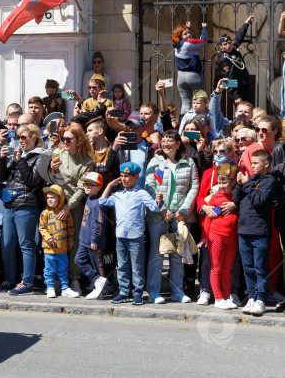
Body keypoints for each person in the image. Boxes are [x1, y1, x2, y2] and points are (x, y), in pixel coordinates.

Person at [145, 131, 200, 304]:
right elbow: (149, 185)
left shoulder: (189, 162)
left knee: (178, 255)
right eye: (163, 141)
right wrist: (162, 208)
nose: (166, 144)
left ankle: (177, 291)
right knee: (156, 254)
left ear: (178, 143)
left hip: (181, 216)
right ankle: (154, 291)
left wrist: (184, 210)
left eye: (170, 141)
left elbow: (194, 187)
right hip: (158, 216)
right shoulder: (155, 162)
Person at [0, 123, 50, 295]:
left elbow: (33, 181)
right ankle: (10, 279)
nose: (20, 141)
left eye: (23, 137)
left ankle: (27, 282)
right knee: (6, 245)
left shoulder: (42, 156)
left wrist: (20, 160)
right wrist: (1, 158)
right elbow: (3, 176)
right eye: (18, 137)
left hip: (27, 203)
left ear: (34, 137)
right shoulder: (17, 153)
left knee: (26, 245)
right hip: (9, 203)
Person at [99, 161, 161, 305]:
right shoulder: (118, 194)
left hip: (136, 236)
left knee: (137, 266)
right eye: (122, 176)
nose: (124, 179)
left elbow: (154, 208)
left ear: (136, 176)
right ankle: (123, 291)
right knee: (122, 265)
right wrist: (109, 185)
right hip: (120, 236)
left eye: (127, 176)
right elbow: (102, 202)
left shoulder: (141, 193)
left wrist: (158, 201)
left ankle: (138, 293)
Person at [46, 122, 93, 294]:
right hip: (56, 204)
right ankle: (56, 280)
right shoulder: (58, 153)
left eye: (68, 139)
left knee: (74, 243)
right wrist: (50, 170)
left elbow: (82, 188)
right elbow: (51, 179)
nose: (64, 142)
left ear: (78, 140)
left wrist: (69, 205)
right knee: (55, 240)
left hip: (74, 205)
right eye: (63, 138)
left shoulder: (87, 160)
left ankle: (75, 279)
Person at [234, 149, 278, 316]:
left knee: (260, 267)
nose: (251, 166)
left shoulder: (270, 181)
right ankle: (251, 296)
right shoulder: (250, 180)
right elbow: (236, 200)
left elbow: (259, 200)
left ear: (266, 164)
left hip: (259, 231)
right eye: (251, 163)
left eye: (255, 163)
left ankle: (261, 299)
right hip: (244, 229)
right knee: (248, 268)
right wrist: (239, 185)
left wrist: (246, 184)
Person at [199, 163, 240, 310]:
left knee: (227, 268)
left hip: (233, 237)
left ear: (234, 181)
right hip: (216, 236)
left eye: (225, 181)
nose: (222, 185)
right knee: (216, 267)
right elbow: (209, 218)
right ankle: (218, 297)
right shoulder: (214, 198)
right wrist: (204, 236)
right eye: (219, 182)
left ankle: (227, 296)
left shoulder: (237, 197)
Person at [40, 185, 78, 298]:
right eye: (47, 198)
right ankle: (50, 287)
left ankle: (65, 288)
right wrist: (47, 237)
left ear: (60, 198)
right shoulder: (45, 213)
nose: (50, 200)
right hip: (49, 249)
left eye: (53, 197)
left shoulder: (65, 213)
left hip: (62, 248)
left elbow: (70, 227)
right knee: (49, 270)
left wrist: (70, 240)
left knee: (63, 269)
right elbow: (42, 228)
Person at [75, 172, 108, 299]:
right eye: (85, 184)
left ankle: (102, 289)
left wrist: (94, 239)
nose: (86, 187)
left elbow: (98, 223)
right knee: (79, 260)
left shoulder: (98, 202)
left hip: (93, 242)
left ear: (99, 187)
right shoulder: (89, 199)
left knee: (98, 264)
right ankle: (97, 280)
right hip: (84, 240)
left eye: (90, 184)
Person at [215, 15, 254, 104]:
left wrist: (246, 23)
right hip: (239, 90)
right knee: (242, 114)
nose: (228, 46)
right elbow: (228, 78)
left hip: (245, 86)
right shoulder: (225, 58)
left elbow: (239, 36)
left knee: (250, 110)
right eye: (225, 44)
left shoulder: (233, 49)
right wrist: (235, 96)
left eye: (229, 43)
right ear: (221, 46)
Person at [172, 21, 208, 113]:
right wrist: (204, 28)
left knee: (185, 103)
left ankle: (184, 123)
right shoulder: (188, 44)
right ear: (180, 36)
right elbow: (203, 40)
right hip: (193, 76)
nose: (188, 35)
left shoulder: (176, 46)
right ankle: (201, 122)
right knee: (200, 101)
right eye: (185, 34)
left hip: (181, 77)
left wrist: (188, 29)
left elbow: (190, 39)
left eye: (189, 33)